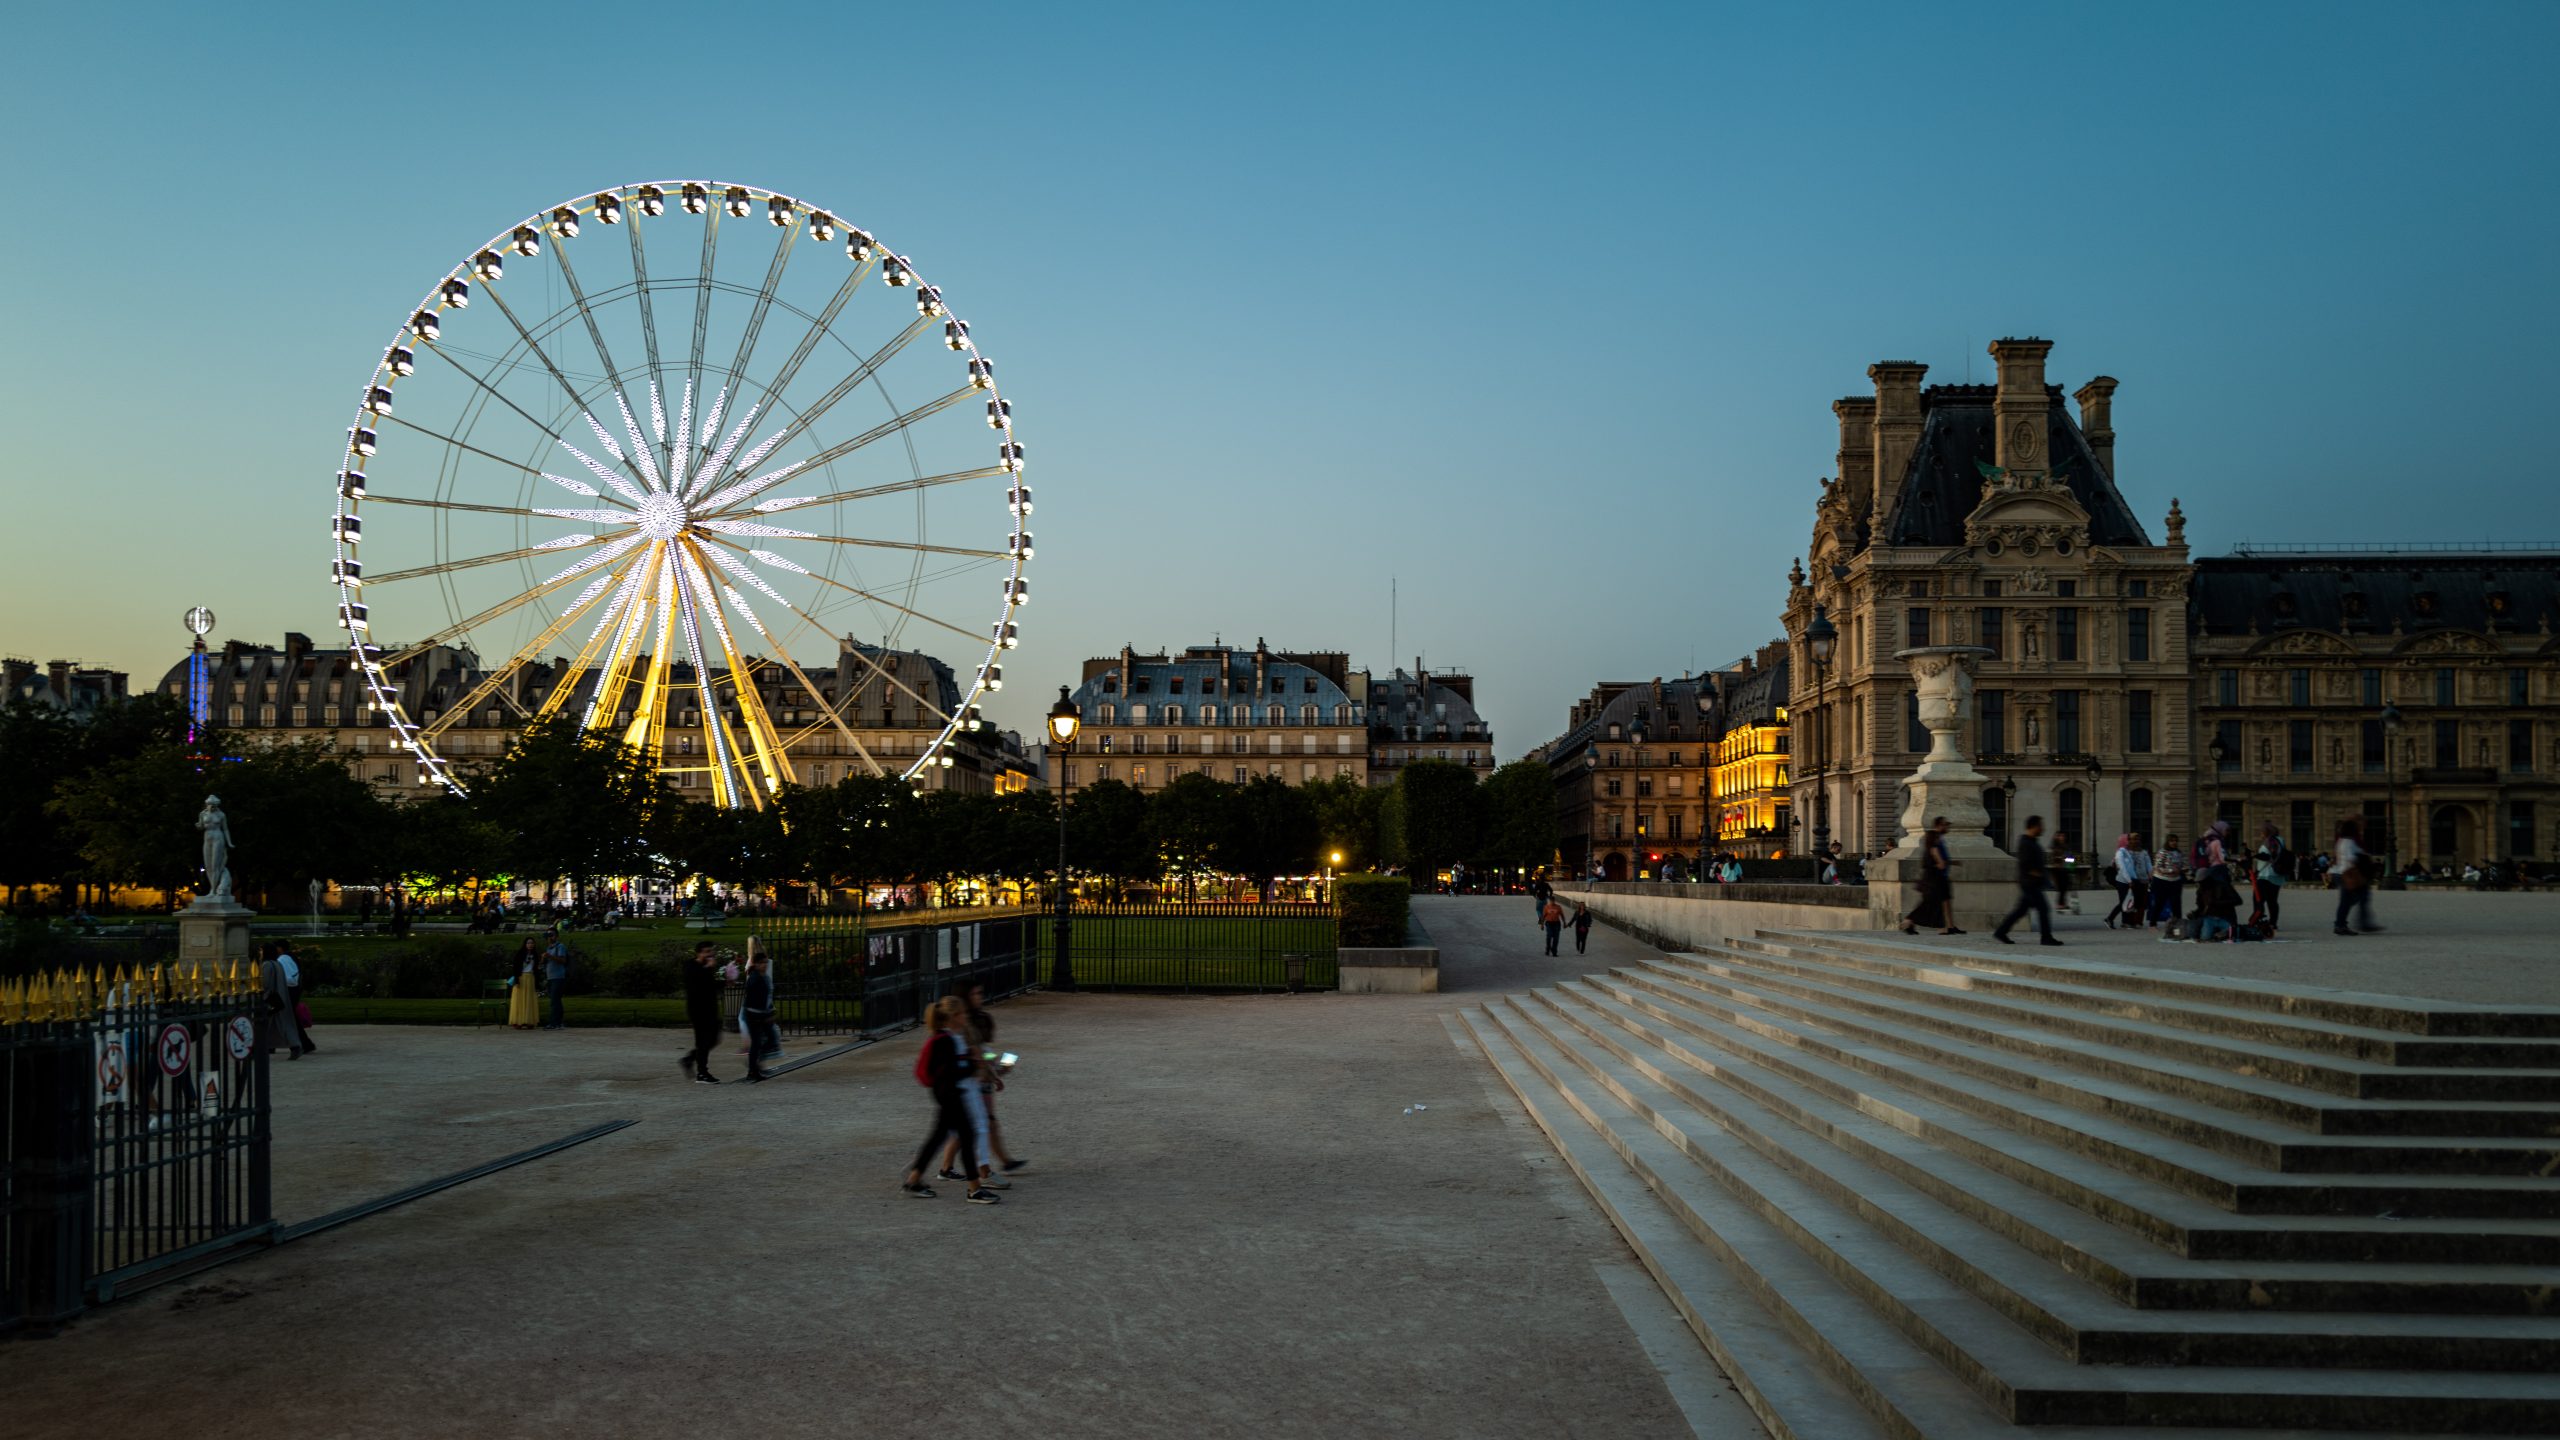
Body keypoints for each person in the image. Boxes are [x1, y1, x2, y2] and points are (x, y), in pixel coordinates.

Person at [903, 997, 999, 1203]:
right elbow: (950, 1071)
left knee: (939, 1138)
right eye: (962, 1014)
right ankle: (974, 1189)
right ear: (953, 1017)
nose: (965, 1016)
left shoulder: (948, 1038)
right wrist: (972, 1067)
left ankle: (914, 1179)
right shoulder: (947, 1040)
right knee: (965, 1137)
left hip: (948, 1095)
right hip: (951, 1096)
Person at [938, 982, 1021, 1184]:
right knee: (980, 1126)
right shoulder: (963, 1027)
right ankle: (987, 1170)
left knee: (969, 1128)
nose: (980, 997)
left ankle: (948, 1168)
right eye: (976, 993)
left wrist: (994, 1069)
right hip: (971, 1083)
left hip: (976, 1080)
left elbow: (983, 1051)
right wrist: (993, 1070)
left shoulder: (976, 1020)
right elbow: (978, 1054)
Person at [1992, 815, 2062, 946]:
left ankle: (2001, 932)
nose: (2043, 829)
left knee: (2020, 911)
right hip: (2030, 883)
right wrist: (2038, 874)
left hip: (2031, 883)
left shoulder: (2031, 841)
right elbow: (2025, 865)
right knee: (2043, 909)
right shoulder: (2026, 843)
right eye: (2040, 826)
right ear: (2034, 827)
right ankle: (2046, 937)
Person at [1901, 817, 1963, 934]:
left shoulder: (1938, 838)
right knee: (1931, 902)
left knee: (1945, 900)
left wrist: (1951, 862)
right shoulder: (1933, 837)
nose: (1947, 827)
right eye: (1945, 825)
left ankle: (1949, 926)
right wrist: (1940, 862)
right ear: (1939, 825)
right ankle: (1908, 921)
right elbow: (1934, 851)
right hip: (1934, 877)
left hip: (1940, 876)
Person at [678, 941, 725, 1084]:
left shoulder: (706, 968)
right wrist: (708, 969)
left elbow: (709, 986)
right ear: (698, 953)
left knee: (713, 1039)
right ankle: (702, 1073)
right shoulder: (691, 967)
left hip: (710, 1009)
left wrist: (724, 982)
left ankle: (689, 1059)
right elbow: (696, 986)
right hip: (698, 1010)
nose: (710, 955)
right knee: (703, 1041)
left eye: (711, 951)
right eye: (706, 952)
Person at [256, 942, 305, 1059]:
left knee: (268, 1024)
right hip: (279, 997)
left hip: (271, 999)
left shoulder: (267, 965)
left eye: (261, 951)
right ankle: (266, 1047)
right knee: (281, 1024)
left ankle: (294, 1046)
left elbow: (265, 983)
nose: (260, 953)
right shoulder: (277, 964)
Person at [2333, 819, 2381, 935]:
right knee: (2354, 899)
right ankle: (2342, 925)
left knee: (2357, 898)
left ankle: (2345, 924)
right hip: (2348, 874)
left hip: (2343, 873)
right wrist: (2361, 862)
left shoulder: (2343, 841)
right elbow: (2351, 858)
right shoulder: (2348, 842)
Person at [739, 952, 781, 1082]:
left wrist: (770, 1012)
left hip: (762, 1014)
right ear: (756, 964)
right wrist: (766, 1015)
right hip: (755, 1016)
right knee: (757, 1043)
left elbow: (766, 998)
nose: (764, 965)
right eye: (761, 963)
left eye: (765, 962)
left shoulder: (764, 978)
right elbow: (753, 1001)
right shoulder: (755, 978)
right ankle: (753, 1070)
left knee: (771, 1040)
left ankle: (755, 1064)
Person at [276, 941, 317, 1053]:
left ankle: (302, 1044)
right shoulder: (290, 957)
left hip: (289, 991)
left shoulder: (283, 959)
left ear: (279, 948)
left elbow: (289, 979)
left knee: (288, 1019)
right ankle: (305, 1044)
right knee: (290, 1018)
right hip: (294, 990)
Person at [2251, 822, 2289, 935]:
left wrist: (2254, 857)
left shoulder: (2269, 842)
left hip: (2266, 875)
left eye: (2262, 832)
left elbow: (2267, 857)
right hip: (2278, 875)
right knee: (2272, 901)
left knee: (2258, 899)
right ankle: (2273, 923)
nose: (2260, 834)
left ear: (2266, 832)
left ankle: (2258, 921)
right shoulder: (2280, 841)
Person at [2107, 834, 2150, 930]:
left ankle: (2128, 921)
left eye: (2137, 839)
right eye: (2131, 840)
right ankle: (2111, 919)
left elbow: (2138, 866)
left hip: (2133, 880)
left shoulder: (2133, 852)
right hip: (2123, 881)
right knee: (2124, 902)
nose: (2135, 841)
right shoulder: (2121, 852)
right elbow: (2122, 868)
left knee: (2129, 901)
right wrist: (2129, 880)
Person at [2150, 834, 2188, 936]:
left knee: (2176, 903)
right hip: (2162, 880)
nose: (2174, 843)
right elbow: (2158, 867)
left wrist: (2184, 869)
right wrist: (2171, 870)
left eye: (2175, 841)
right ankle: (2152, 924)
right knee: (2159, 902)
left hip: (2175, 880)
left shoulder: (2179, 853)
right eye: (2171, 841)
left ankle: (2178, 925)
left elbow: (2183, 864)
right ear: (2168, 842)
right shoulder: (2162, 852)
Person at [507, 938, 542, 1029]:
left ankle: (529, 1021)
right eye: (528, 943)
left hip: (530, 978)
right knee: (519, 999)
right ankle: (518, 1021)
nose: (530, 944)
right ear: (525, 944)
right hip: (521, 978)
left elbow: (536, 969)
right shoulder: (520, 954)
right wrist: (517, 980)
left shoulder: (535, 955)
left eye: (532, 943)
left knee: (529, 999)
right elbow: (515, 967)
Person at [542, 929, 571, 1029]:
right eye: (548, 935)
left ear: (556, 936)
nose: (550, 937)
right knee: (555, 1000)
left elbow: (563, 960)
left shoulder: (560, 946)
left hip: (558, 976)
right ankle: (558, 1022)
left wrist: (550, 956)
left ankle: (554, 1022)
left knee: (554, 1000)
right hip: (550, 977)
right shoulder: (548, 948)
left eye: (552, 935)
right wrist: (544, 959)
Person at [2047, 830, 2076, 914]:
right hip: (2058, 870)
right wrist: (2064, 858)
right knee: (2061, 888)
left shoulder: (2065, 846)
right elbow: (2055, 859)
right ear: (2057, 837)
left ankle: (2062, 904)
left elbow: (2070, 858)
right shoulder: (2055, 847)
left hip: (2066, 868)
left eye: (2063, 836)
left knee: (2064, 887)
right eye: (2060, 836)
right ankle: (2060, 905)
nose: (2062, 837)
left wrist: (2070, 861)